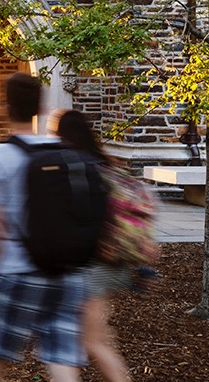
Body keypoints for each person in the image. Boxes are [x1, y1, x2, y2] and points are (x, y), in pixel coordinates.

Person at [0, 73, 86, 382]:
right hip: (66, 273)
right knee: (62, 360)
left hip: (17, 272)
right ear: (41, 107)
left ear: (6, 107)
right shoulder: (66, 151)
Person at [54, 109, 133, 382]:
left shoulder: (79, 168)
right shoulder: (105, 163)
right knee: (75, 339)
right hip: (109, 261)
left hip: (95, 263)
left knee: (93, 341)